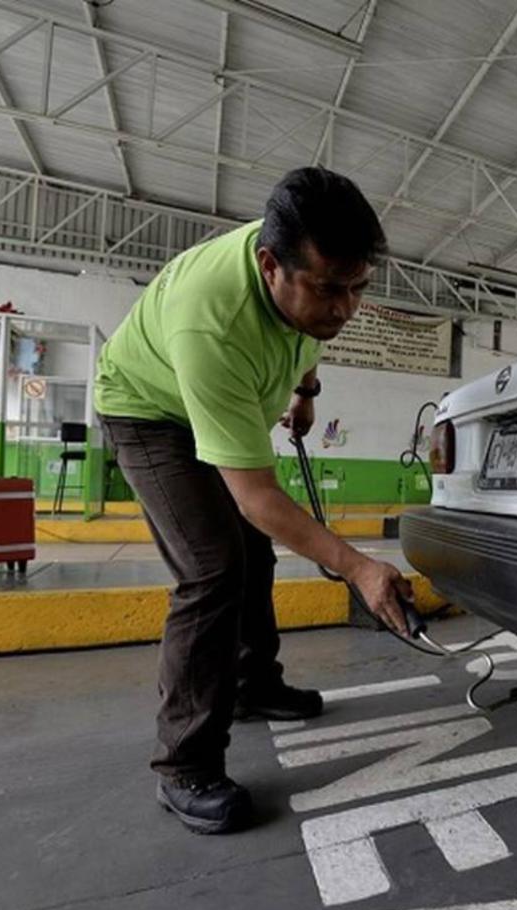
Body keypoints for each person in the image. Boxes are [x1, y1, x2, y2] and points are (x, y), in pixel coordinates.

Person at [94, 167, 412, 835]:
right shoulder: (212, 322)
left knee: (254, 554)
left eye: (358, 289)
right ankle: (184, 764)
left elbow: (307, 338)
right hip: (149, 410)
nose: (345, 308)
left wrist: (304, 394)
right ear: (270, 265)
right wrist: (358, 567)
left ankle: (251, 685)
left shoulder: (305, 288)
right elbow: (257, 495)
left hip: (200, 400)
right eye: (330, 289)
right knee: (213, 566)